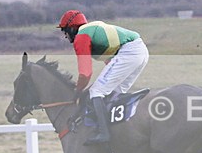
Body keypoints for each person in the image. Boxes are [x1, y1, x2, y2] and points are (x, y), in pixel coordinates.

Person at [57, 10, 149, 144]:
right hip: (139, 51)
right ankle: (120, 131)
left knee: (97, 91)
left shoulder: (81, 37)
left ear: (72, 27)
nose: (65, 35)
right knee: (114, 92)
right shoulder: (90, 31)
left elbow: (85, 73)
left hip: (130, 52)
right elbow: (109, 62)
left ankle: (104, 133)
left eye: (65, 30)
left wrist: (78, 91)